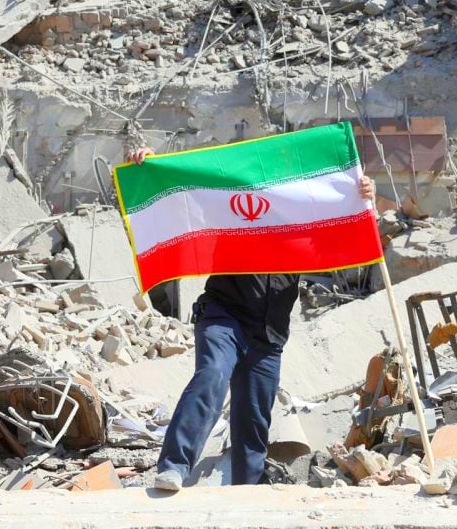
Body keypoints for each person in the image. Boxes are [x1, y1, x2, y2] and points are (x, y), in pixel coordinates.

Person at [125, 146, 376, 490]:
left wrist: (361, 201)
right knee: (212, 374)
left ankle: (248, 493)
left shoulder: (303, 224)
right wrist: (152, 165)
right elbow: (187, 192)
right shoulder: (232, 208)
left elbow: (349, 242)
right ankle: (175, 465)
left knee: (254, 419)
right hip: (223, 316)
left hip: (269, 335)